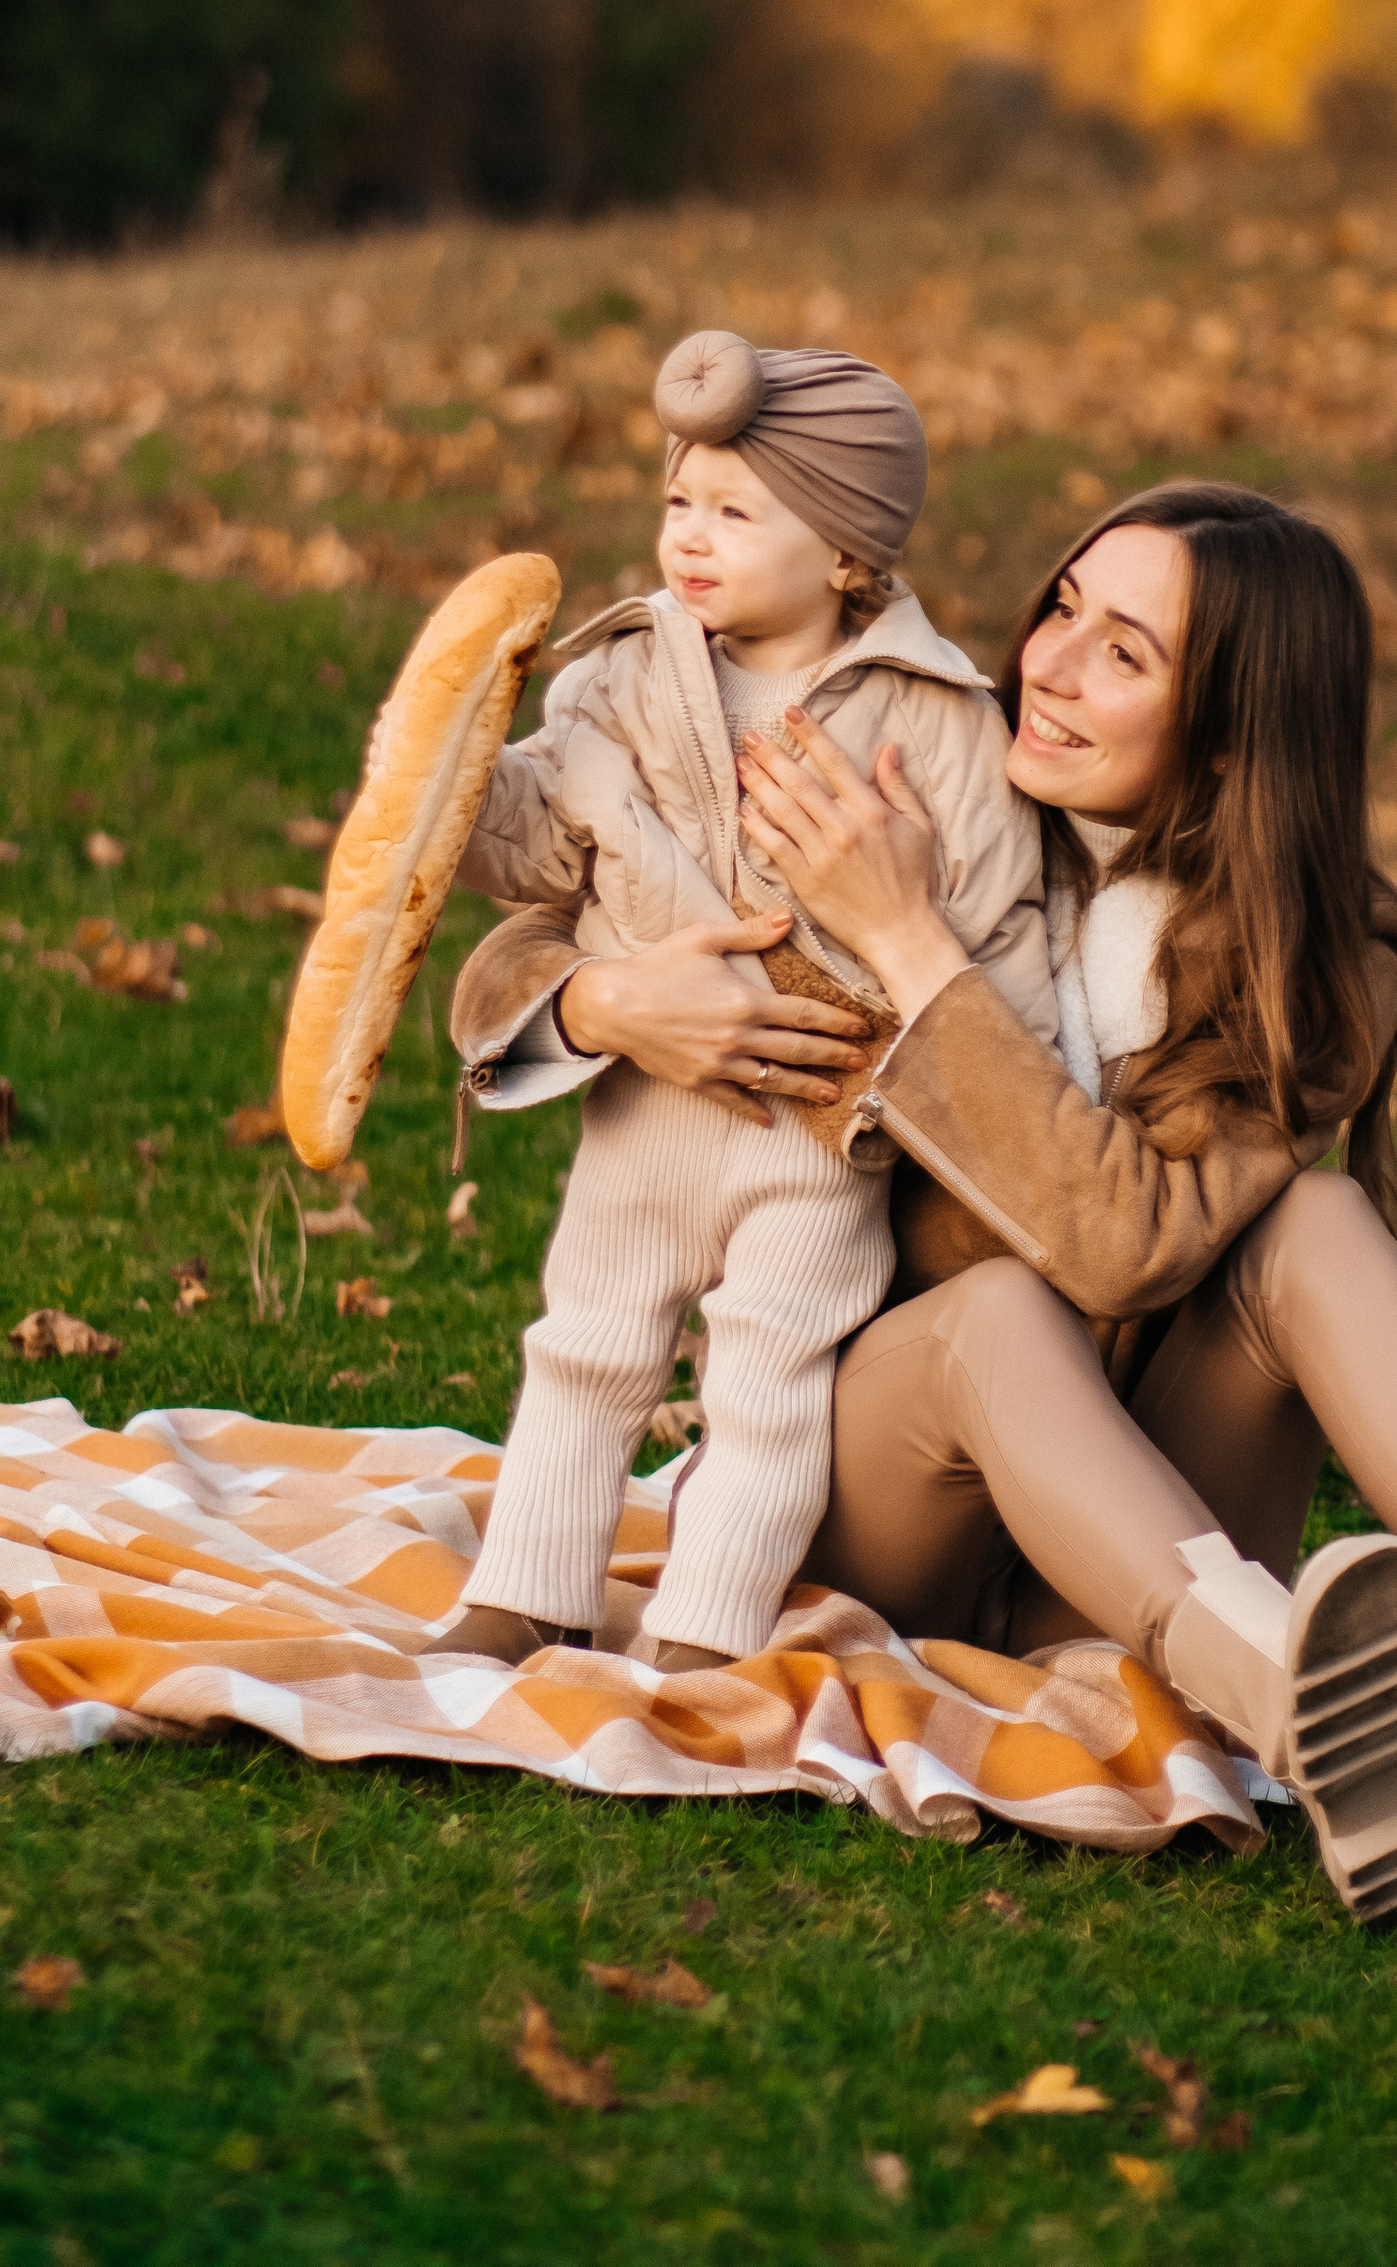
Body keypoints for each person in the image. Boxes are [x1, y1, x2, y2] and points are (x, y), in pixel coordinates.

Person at [459, 482, 1397, 1929]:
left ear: (1227, 734)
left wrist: (908, 944)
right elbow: (551, 913)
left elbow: (1119, 1246)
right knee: (993, 1314)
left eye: (1126, 654)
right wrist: (604, 1001)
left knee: (1316, 1225)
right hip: (882, 1507)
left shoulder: (1319, 952)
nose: (1051, 667)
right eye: (1063, 609)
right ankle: (1311, 1718)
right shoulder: (921, 782)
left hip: (1153, 1557)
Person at [443, 328, 1056, 1673]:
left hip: (824, 1130)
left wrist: (928, 1098)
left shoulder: (940, 717)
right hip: (647, 1106)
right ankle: (531, 1588)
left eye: (736, 512)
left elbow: (1002, 931)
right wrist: (459, 777)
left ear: (844, 552)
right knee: (589, 1341)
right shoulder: (622, 674)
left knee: (773, 1374)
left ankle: (709, 1626)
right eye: (679, 501)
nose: (690, 537)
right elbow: (535, 845)